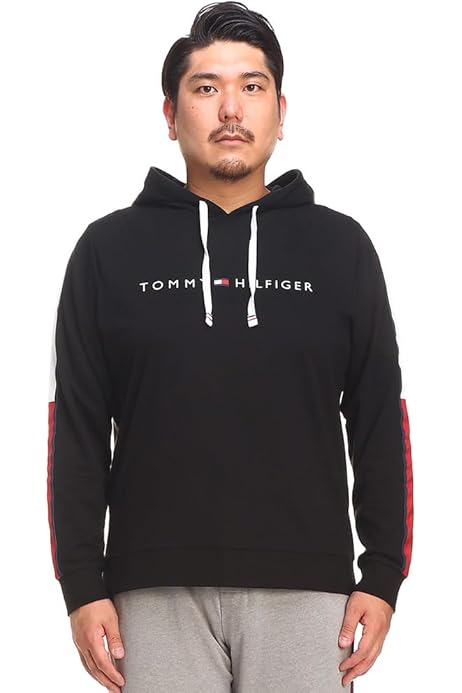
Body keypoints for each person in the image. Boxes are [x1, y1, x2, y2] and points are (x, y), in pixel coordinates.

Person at [47, 2, 414, 690]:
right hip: (151, 592)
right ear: (170, 113)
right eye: (206, 87)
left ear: (281, 109)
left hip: (309, 591)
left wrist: (384, 574)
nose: (230, 110)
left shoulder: (341, 248)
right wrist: (81, 585)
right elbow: (77, 428)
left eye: (252, 86)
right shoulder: (106, 251)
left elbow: (378, 419)